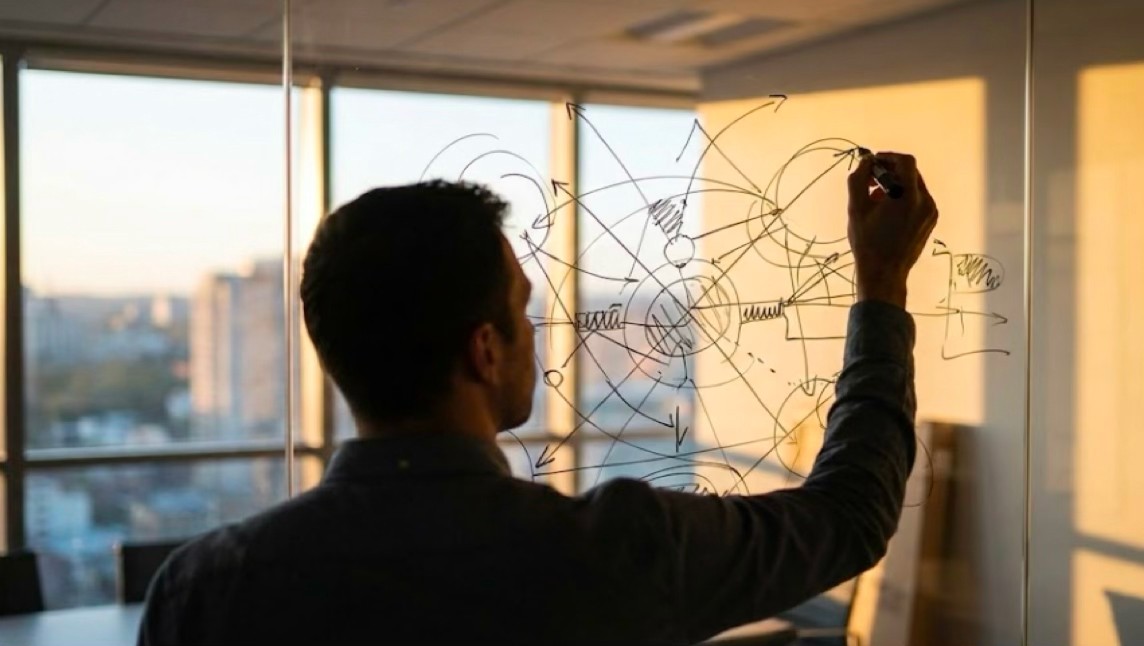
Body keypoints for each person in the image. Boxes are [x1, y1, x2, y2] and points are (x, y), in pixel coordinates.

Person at [138, 152, 937, 646]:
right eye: (522, 310)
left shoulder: (205, 590)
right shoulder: (617, 551)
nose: (535, 333)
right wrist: (881, 286)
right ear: (484, 350)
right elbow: (851, 515)